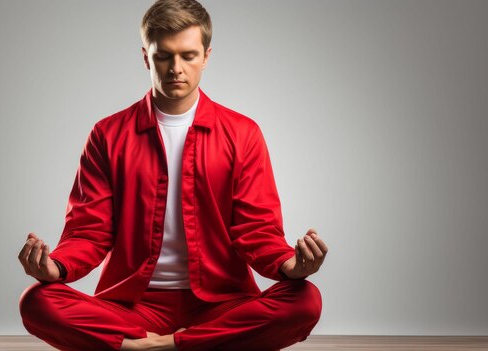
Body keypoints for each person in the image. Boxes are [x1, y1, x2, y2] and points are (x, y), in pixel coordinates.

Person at [18, 1, 328, 350]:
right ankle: (189, 345)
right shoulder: (108, 134)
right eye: (163, 55)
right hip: (133, 307)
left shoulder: (243, 133)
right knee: (37, 301)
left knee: (305, 299)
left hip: (222, 305)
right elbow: (90, 230)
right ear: (146, 57)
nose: (176, 68)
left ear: (206, 56)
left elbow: (256, 229)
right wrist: (55, 268)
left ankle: (154, 347)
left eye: (189, 55)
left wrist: (290, 264)